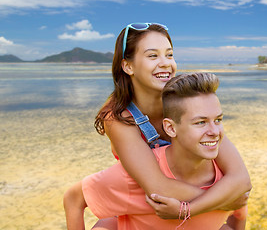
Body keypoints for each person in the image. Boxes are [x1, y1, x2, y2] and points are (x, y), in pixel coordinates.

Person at [63, 23, 251, 229]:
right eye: (153, 56)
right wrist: (225, 201)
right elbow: (158, 187)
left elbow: (239, 176)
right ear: (128, 66)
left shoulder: (183, 102)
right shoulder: (117, 117)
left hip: (173, 205)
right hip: (138, 202)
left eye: (169, 55)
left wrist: (199, 207)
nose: (165, 63)